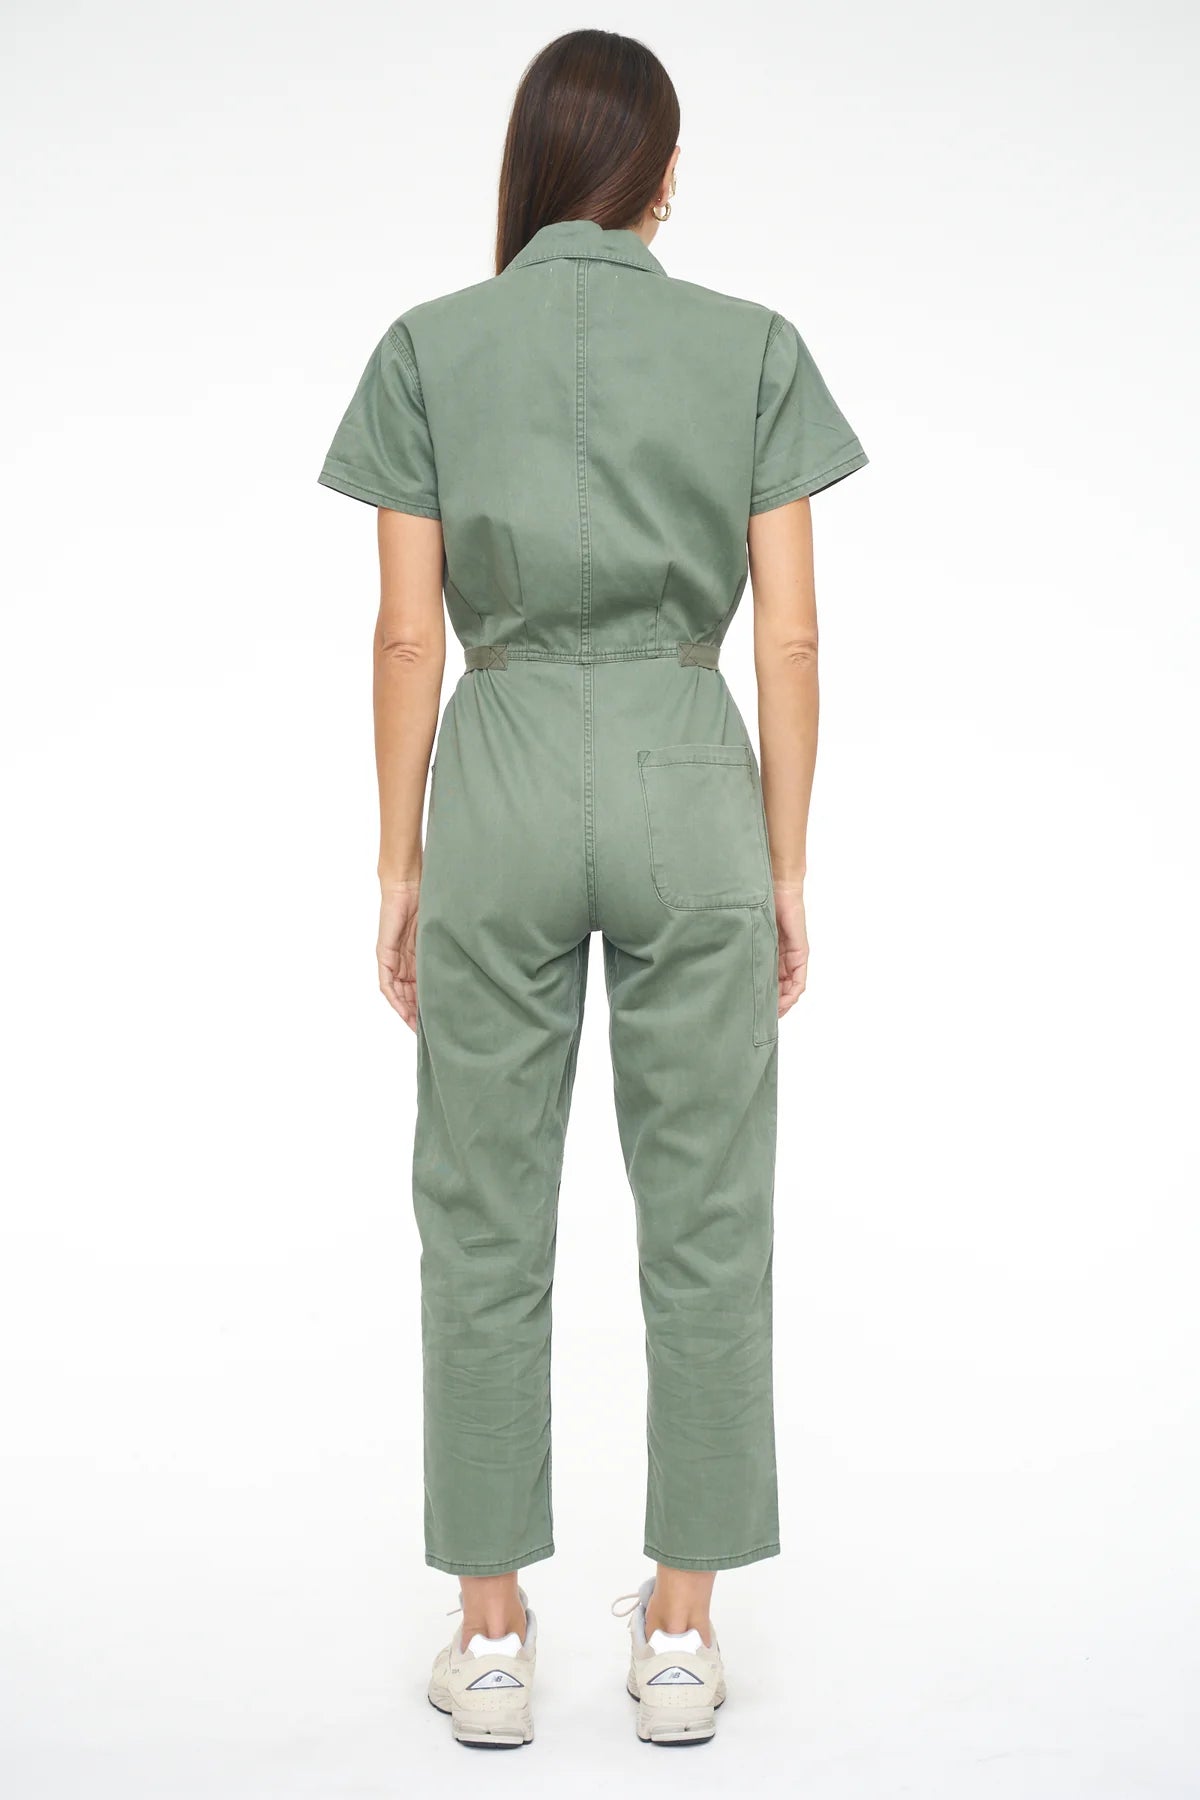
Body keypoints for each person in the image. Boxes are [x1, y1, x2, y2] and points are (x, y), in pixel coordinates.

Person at [317, 27, 868, 1750]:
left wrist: (400, 862)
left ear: (533, 165)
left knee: (480, 1212)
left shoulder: (429, 347)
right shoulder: (751, 347)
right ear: (664, 176)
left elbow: (407, 633)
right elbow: (791, 636)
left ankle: (490, 1644)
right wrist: (783, 860)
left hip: (493, 775)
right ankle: (682, 1639)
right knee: (709, 1214)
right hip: (690, 774)